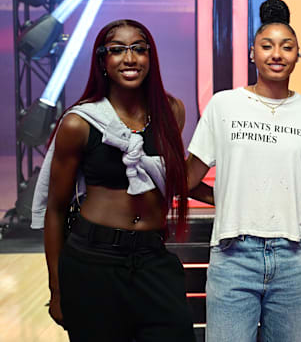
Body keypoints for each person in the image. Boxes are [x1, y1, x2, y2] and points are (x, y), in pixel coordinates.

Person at [186, 0, 301, 342]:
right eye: (267, 46)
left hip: (294, 257)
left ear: (297, 55)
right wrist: (223, 198)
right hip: (233, 257)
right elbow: (187, 179)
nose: (277, 54)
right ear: (252, 53)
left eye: (287, 47)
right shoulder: (224, 104)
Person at [35, 19, 195, 341]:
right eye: (118, 50)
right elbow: (55, 210)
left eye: (139, 48)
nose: (130, 58)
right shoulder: (79, 123)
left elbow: (169, 175)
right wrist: (56, 288)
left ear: (150, 57)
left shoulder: (171, 111)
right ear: (102, 61)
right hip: (94, 261)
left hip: (152, 258)